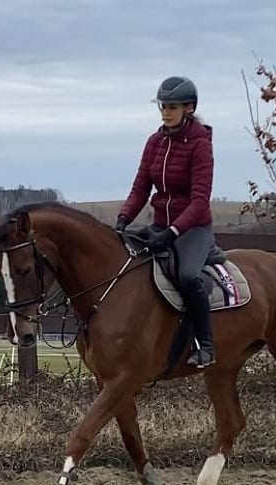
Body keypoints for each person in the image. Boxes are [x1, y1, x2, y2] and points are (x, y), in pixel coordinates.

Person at [114, 75, 218, 369]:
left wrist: (173, 232)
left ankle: (205, 344)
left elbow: (199, 202)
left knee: (187, 276)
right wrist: (123, 219)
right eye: (162, 106)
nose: (165, 112)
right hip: (160, 225)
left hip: (193, 229)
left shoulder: (200, 145)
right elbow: (140, 189)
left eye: (171, 106)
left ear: (189, 107)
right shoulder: (154, 143)